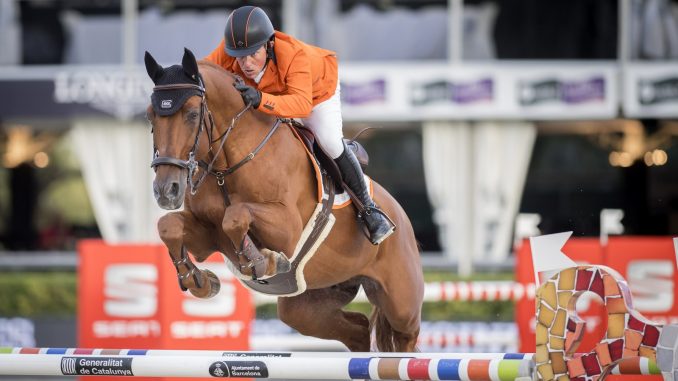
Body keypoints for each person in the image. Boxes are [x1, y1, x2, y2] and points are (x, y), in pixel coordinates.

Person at [205, 5, 394, 245]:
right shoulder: (230, 51)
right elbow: (201, 73)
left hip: (315, 95)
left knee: (329, 142)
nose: (247, 63)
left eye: (254, 54)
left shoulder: (294, 55)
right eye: (241, 57)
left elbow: (301, 105)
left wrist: (261, 100)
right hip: (270, 96)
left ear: (268, 44)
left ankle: (370, 210)